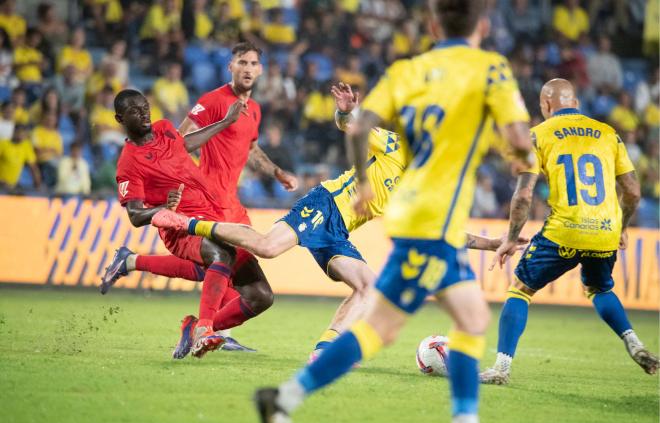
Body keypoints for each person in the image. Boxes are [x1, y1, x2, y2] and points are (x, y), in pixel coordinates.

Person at [251, 1, 535, 423]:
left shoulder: (408, 71)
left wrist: (364, 182)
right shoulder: (490, 69)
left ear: (435, 25)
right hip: (431, 223)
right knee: (399, 325)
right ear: (481, 26)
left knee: (469, 319)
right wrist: (518, 158)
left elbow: (357, 125)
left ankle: (286, 400)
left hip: (421, 222)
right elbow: (519, 140)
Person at [153, 82, 528, 361]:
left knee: (368, 287)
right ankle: (189, 224)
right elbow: (351, 126)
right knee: (267, 247)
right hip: (327, 203)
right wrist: (346, 111)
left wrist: (494, 242)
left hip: (340, 230)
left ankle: (322, 351)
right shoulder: (396, 145)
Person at [101, 42, 297, 356]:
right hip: (203, 205)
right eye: (241, 62)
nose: (247, 68)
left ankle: (195, 322)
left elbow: (236, 148)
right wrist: (168, 202)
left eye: (253, 63)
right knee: (219, 259)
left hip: (223, 202)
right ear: (230, 66)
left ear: (260, 69)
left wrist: (275, 171)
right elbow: (180, 146)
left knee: (255, 292)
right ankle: (209, 329)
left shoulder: (252, 111)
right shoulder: (212, 100)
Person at [480, 78, 660, 385]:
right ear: (575, 103)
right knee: (599, 288)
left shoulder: (537, 136)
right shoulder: (608, 134)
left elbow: (523, 196)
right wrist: (623, 226)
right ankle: (634, 342)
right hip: (605, 230)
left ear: (546, 105)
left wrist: (511, 239)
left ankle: (501, 367)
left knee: (520, 289)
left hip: (565, 229)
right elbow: (632, 191)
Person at [112, 89, 269, 358]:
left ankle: (195, 327)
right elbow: (135, 215)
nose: (144, 113)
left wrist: (225, 123)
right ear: (120, 119)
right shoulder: (128, 163)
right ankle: (204, 331)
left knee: (261, 295)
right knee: (220, 254)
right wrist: (165, 208)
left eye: (145, 106)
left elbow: (184, 144)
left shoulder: (163, 129)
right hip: (180, 226)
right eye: (135, 111)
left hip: (212, 213)